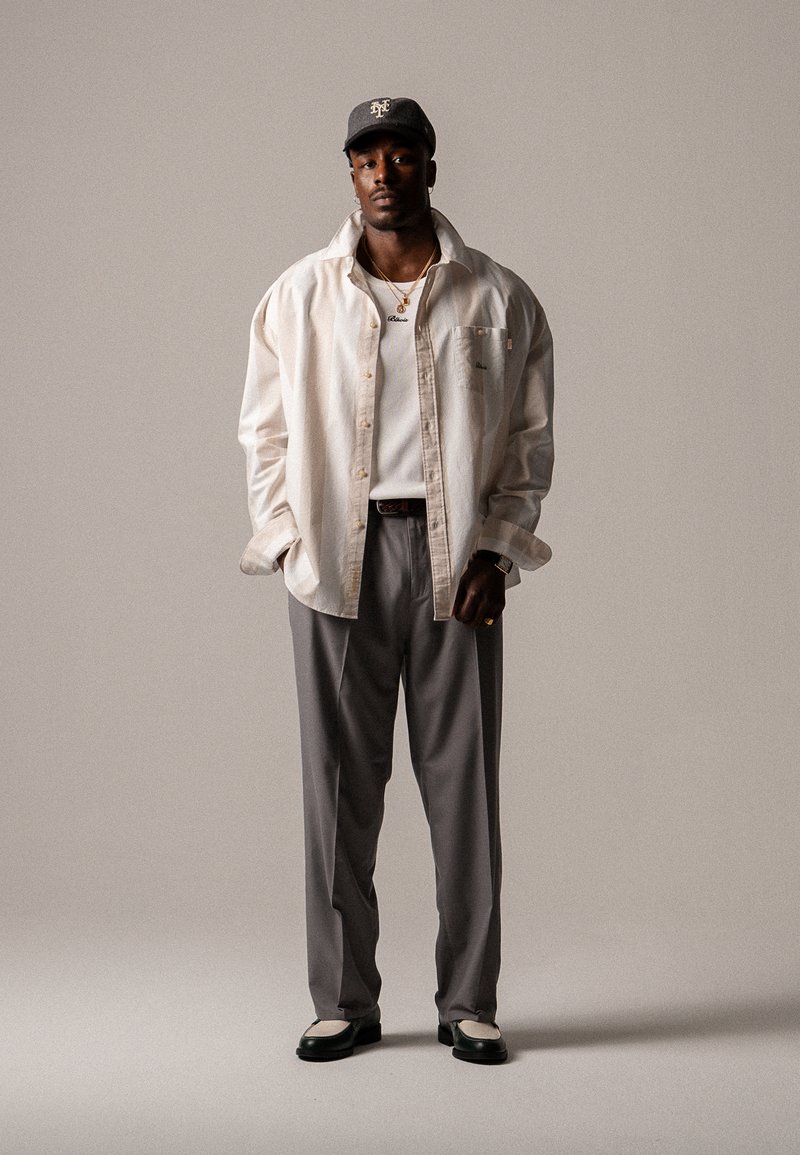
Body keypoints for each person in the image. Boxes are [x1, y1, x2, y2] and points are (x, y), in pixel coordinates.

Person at [238, 97, 554, 1065]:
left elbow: (526, 442)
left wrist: (497, 550)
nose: (383, 173)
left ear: (429, 165)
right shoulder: (296, 298)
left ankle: (468, 1000)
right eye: (365, 157)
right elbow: (264, 435)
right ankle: (343, 998)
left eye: (401, 155)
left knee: (463, 787)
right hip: (338, 557)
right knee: (335, 788)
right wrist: (289, 544)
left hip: (454, 562)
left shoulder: (497, 298)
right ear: (349, 173)